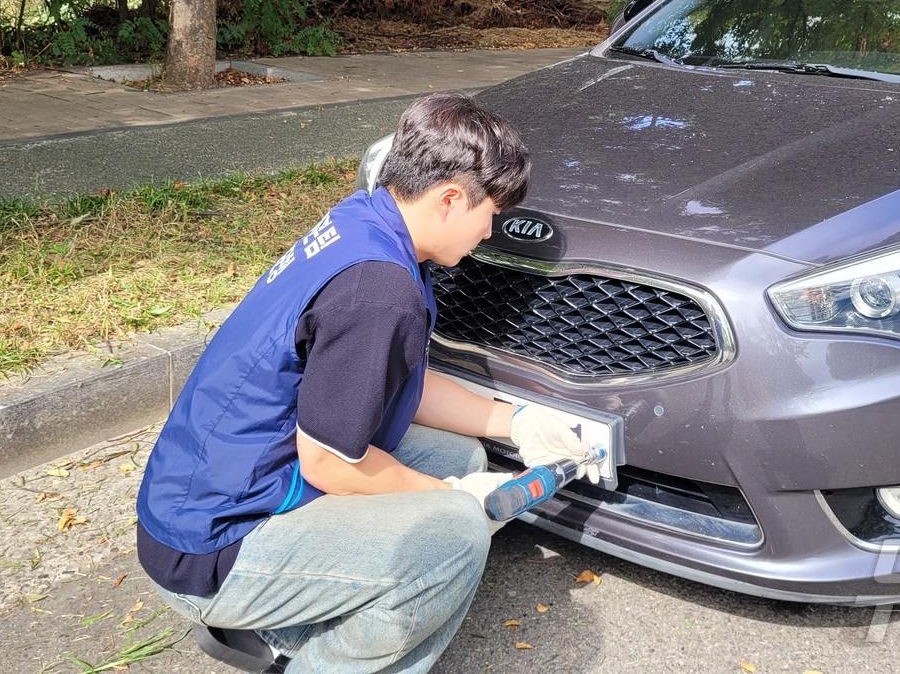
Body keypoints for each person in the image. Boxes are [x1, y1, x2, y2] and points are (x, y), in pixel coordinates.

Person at [134, 92, 594, 672]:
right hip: (211, 545)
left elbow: (398, 385)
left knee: (459, 456)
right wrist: (451, 502)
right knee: (453, 536)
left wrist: (520, 422)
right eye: (491, 215)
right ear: (451, 198)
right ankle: (306, 651)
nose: (488, 233)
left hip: (210, 488)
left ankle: (293, 627)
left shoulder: (368, 224)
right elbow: (328, 465)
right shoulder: (379, 291)